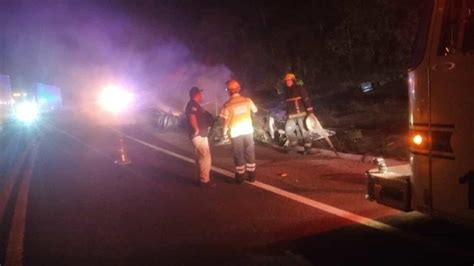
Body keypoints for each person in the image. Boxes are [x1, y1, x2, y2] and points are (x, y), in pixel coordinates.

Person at [220, 80, 258, 184]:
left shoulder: (227, 105)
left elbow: (225, 122)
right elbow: (255, 110)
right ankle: (252, 177)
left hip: (236, 133)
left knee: (238, 154)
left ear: (229, 91)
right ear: (238, 89)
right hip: (248, 130)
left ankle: (240, 178)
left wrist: (224, 134)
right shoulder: (247, 100)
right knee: (250, 153)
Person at [185, 87, 215, 188]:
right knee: (205, 157)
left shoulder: (195, 105)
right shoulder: (192, 104)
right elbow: (192, 116)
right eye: (200, 93)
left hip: (199, 135)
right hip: (199, 135)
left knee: (199, 158)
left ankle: (199, 178)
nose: (202, 95)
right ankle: (204, 181)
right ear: (196, 94)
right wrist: (196, 129)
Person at [282, 73, 316, 153]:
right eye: (286, 81)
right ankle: (294, 144)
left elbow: (306, 99)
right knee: (288, 130)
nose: (288, 82)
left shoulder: (299, 88)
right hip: (291, 116)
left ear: (293, 81)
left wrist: (310, 112)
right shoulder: (287, 92)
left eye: (289, 80)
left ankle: (308, 147)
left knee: (304, 130)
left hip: (301, 114)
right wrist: (287, 114)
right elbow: (288, 104)